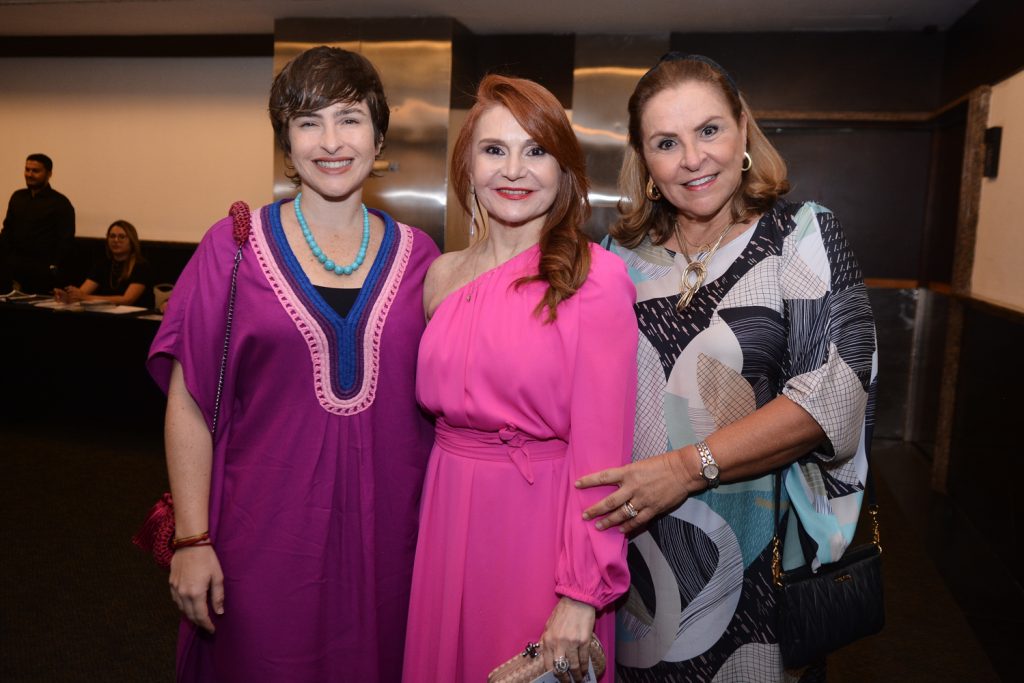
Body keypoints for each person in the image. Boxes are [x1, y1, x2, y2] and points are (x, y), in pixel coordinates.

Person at [575, 53, 878, 682]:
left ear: (743, 131)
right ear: (645, 162)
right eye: (667, 142)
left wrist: (687, 467)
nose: (693, 158)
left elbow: (833, 399)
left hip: (756, 565)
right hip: (629, 559)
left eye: (709, 130)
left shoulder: (798, 238)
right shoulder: (615, 259)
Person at [146, 46, 439, 682]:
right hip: (260, 542)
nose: (331, 141)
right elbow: (188, 401)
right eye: (308, 122)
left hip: (392, 547)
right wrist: (193, 541)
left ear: (379, 132)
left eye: (350, 118)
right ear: (286, 142)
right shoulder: (232, 248)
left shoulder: (424, 260)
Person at [402, 75, 638, 683]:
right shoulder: (440, 276)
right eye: (494, 150)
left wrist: (582, 593)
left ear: (564, 170)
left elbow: (603, 454)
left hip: (542, 530)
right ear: (468, 166)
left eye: (536, 151)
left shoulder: (596, 279)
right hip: (448, 512)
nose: (515, 170)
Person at [0, 153, 75, 293]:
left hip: (41, 269)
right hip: (13, 264)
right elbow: (7, 230)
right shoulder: (17, 197)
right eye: (27, 169)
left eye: (35, 171)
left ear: (49, 173)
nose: (29, 174)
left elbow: (65, 241)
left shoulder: (60, 203)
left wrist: (53, 266)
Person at [54, 219, 154, 306]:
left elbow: (128, 299)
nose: (116, 240)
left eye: (122, 237)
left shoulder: (141, 266)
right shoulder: (103, 264)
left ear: (132, 241)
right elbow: (83, 293)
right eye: (112, 236)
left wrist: (86, 297)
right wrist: (68, 297)